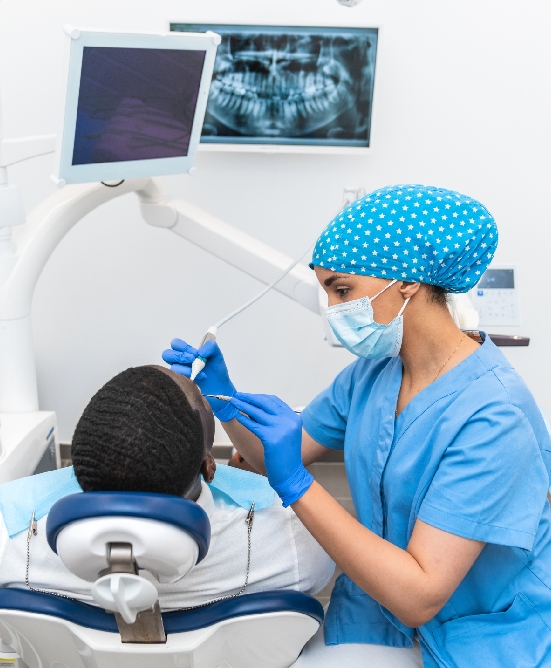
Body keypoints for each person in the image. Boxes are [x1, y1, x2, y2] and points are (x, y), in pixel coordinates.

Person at [163, 184, 551, 668]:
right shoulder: (374, 373)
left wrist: (296, 483)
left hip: (484, 632)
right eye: (327, 291)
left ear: (407, 281)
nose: (333, 309)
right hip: (378, 610)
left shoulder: (495, 416)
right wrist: (224, 400)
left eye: (342, 290)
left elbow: (420, 594)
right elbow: (273, 458)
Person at [0, 366, 334, 609]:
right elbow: (324, 562)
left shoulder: (9, 537)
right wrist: (257, 482)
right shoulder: (295, 539)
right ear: (209, 467)